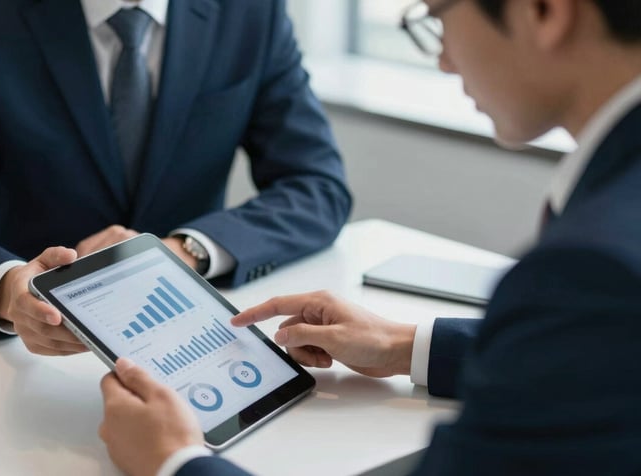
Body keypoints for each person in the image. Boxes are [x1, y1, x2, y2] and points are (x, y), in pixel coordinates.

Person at [99, 0, 641, 474]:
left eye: (437, 16)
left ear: (544, 10)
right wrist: (407, 347)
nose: (444, 58)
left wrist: (175, 462)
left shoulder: (590, 274)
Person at [0, 0, 352, 351]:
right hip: (32, 343)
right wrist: (11, 292)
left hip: (188, 328)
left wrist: (182, 251)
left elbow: (317, 187)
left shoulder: (250, 11)